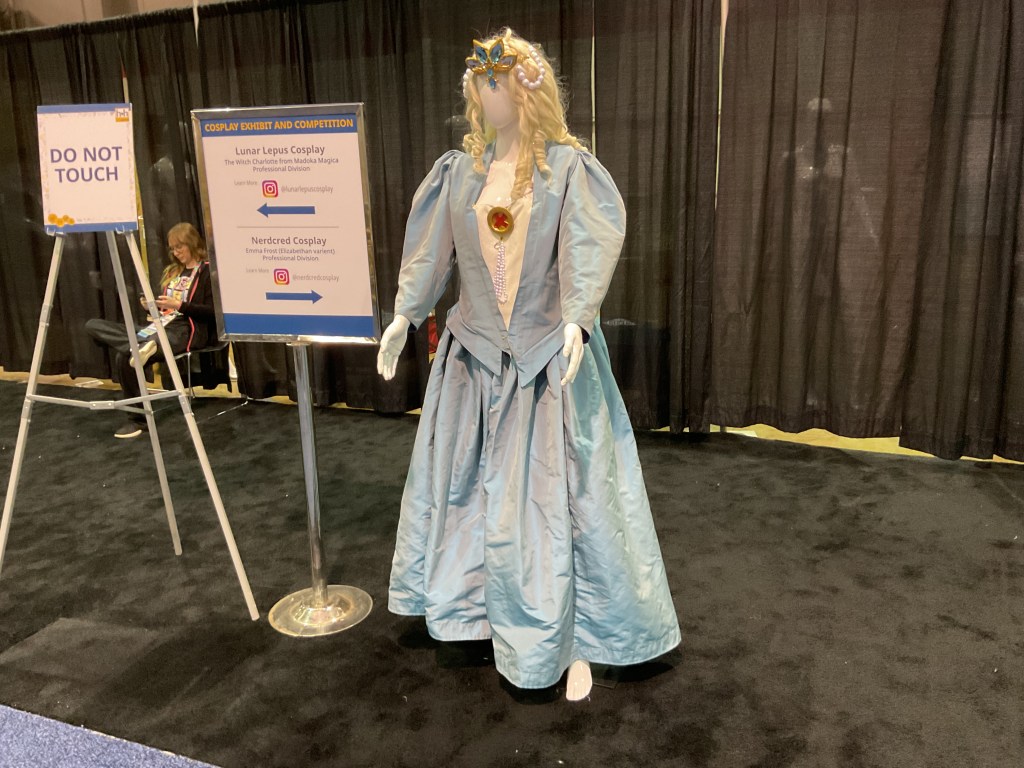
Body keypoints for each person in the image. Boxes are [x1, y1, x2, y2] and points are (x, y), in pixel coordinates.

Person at [377, 29, 680, 701]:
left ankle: (576, 639)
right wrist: (405, 312)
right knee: (470, 491)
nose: (489, 97)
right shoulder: (456, 174)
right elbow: (430, 255)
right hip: (474, 362)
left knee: (564, 505)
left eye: (501, 84)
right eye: (480, 86)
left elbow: (586, 248)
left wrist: (576, 317)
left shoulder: (568, 169)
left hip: (550, 364)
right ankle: (479, 612)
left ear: (527, 89)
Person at [85, 222, 216, 439]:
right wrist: (154, 306)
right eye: (173, 249)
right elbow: (167, 308)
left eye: (179, 247)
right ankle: (144, 344)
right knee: (93, 326)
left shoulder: (207, 273)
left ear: (192, 244)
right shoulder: (173, 272)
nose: (176, 253)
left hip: (188, 329)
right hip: (161, 325)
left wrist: (180, 306)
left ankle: (137, 419)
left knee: (124, 356)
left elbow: (213, 313)